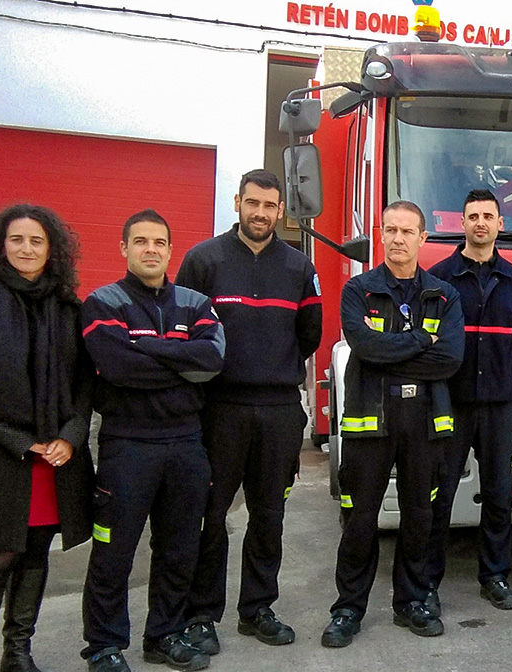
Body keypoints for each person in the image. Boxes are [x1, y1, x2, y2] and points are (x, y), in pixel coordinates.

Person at [176, 169, 323, 654]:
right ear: (238, 202)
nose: (261, 213)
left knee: (269, 515)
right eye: (253, 203)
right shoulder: (203, 260)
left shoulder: (298, 266)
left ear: (281, 211)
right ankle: (201, 615)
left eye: (270, 206)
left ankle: (257, 608)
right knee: (209, 516)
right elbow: (183, 331)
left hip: (278, 409)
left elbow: (309, 335)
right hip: (220, 410)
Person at [0, 204, 95, 672]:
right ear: (0, 245)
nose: (26, 249)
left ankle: (18, 651)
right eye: (16, 240)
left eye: (36, 241)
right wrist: (19, 439)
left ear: (52, 250)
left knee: (35, 551)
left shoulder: (71, 307)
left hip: (54, 454)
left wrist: (70, 436)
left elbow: (84, 381)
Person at [80, 210, 225, 672]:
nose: (150, 249)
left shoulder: (196, 303)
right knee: (114, 550)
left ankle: (163, 634)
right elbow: (115, 367)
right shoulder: (103, 302)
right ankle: (104, 646)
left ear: (170, 249)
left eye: (159, 242)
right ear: (123, 248)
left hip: (186, 444)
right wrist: (179, 362)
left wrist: (144, 348)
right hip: (128, 445)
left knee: (180, 549)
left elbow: (211, 361)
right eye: (140, 241)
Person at [321, 201, 464, 648]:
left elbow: (451, 359)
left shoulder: (444, 295)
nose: (398, 238)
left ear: (424, 239)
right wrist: (422, 338)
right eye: (391, 230)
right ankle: (348, 609)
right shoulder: (358, 290)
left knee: (420, 516)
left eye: (408, 231)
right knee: (360, 518)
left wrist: (393, 353)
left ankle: (412, 601)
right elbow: (364, 347)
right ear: (382, 235)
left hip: (424, 424)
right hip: (371, 423)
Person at [425, 189, 512, 612]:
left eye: (488, 216)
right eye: (473, 216)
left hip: (499, 404)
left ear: (500, 223)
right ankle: (427, 582)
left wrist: (510, 381)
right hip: (452, 401)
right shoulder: (440, 276)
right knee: (441, 493)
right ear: (461, 223)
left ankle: (494, 576)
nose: (480, 223)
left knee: (500, 494)